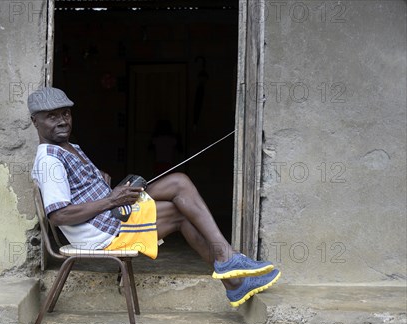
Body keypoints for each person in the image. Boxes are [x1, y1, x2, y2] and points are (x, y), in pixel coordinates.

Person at [29, 87, 280, 307]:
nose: (62, 121)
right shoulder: (50, 160)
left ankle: (232, 275)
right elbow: (59, 215)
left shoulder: (69, 147)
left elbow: (79, 189)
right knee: (180, 188)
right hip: (104, 231)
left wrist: (101, 181)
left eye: (66, 114)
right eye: (52, 116)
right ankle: (229, 265)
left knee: (178, 187)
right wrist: (112, 200)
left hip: (109, 214)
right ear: (35, 122)